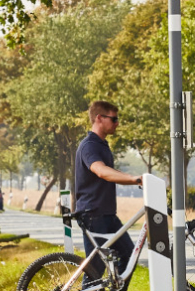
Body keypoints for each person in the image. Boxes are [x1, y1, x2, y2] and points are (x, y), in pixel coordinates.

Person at [74, 101, 142, 289]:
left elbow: (108, 175)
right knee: (95, 271)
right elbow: (102, 171)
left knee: (128, 256)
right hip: (92, 214)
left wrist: (134, 180)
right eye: (113, 119)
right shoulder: (90, 145)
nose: (117, 123)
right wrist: (134, 178)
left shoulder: (102, 145)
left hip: (107, 214)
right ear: (99, 118)